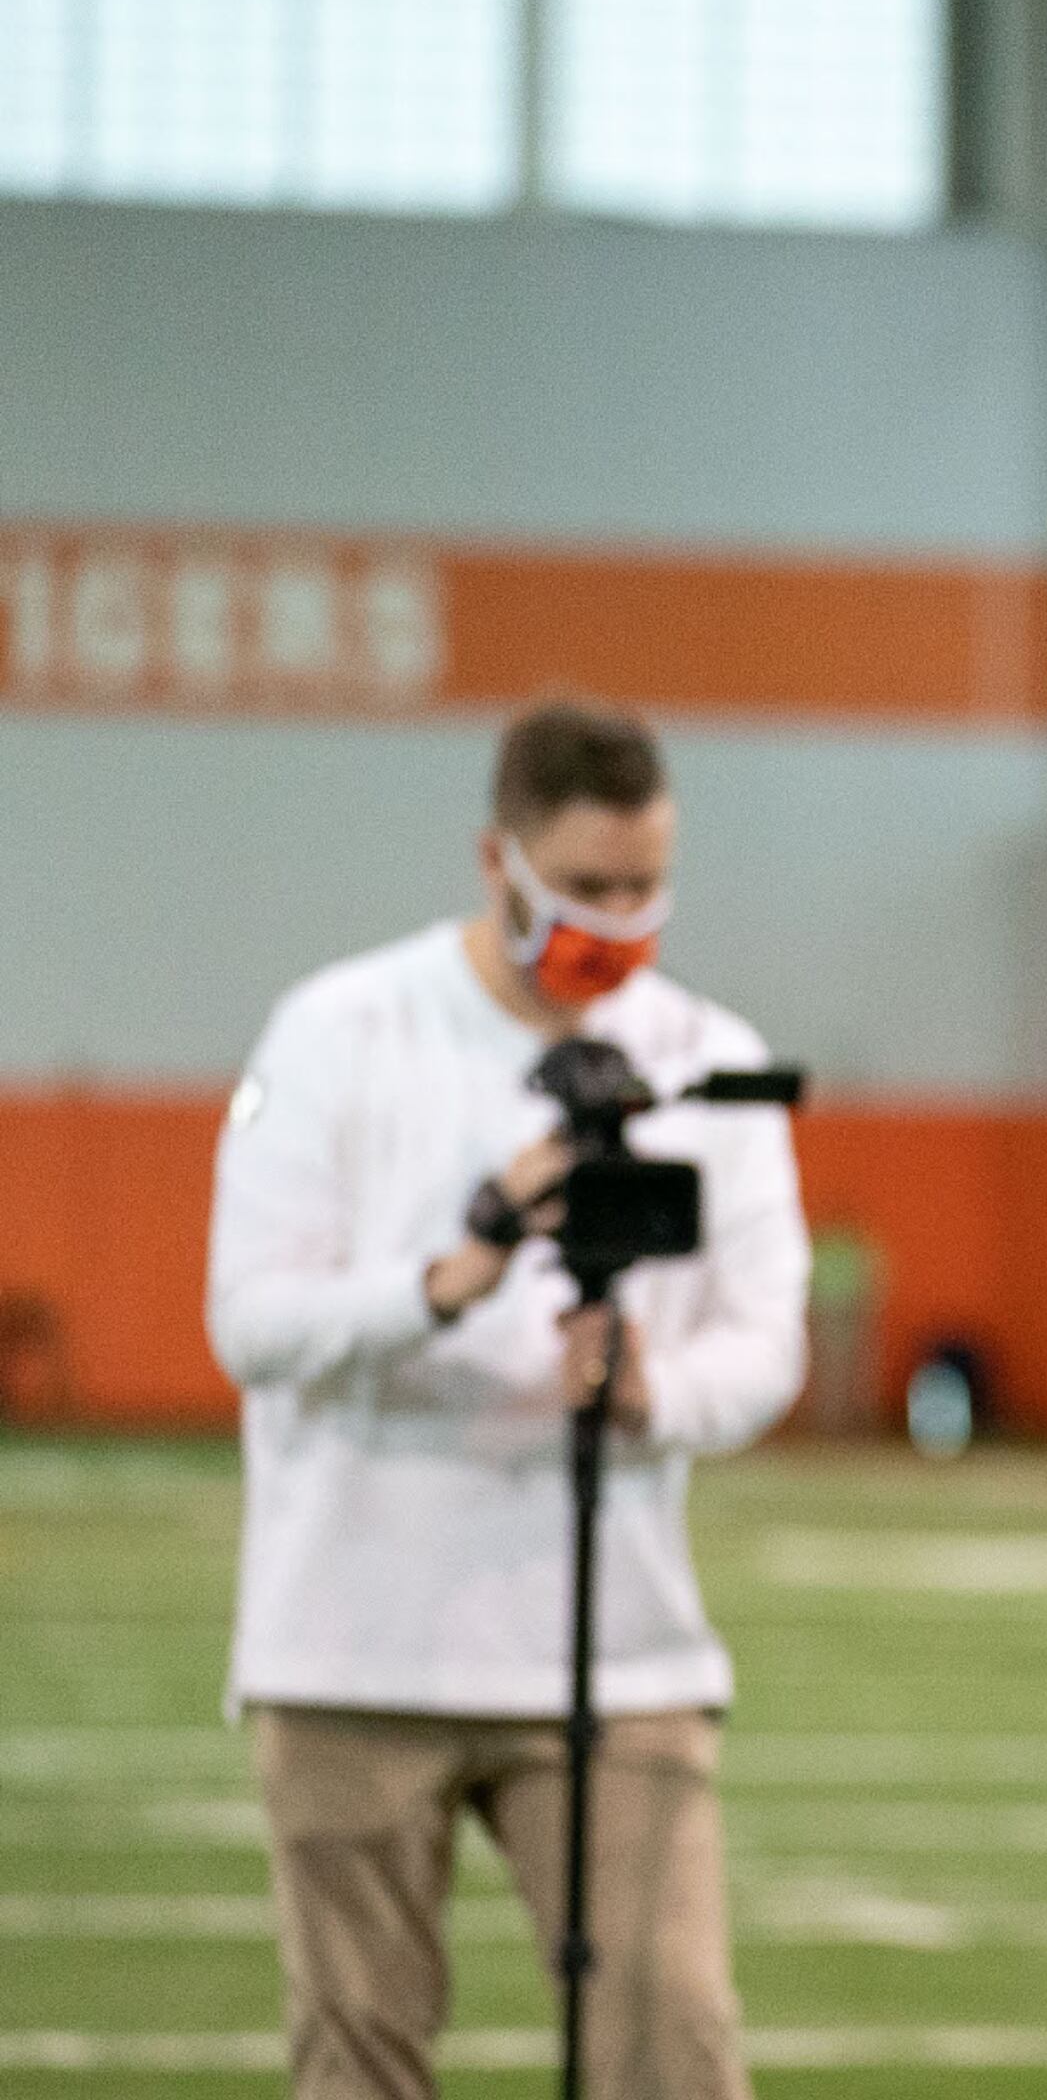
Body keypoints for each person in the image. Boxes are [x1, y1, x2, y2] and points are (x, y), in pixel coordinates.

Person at [207, 701, 803, 2100]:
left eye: (645, 883)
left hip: (619, 1645)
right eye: (587, 886)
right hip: (350, 1644)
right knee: (358, 2057)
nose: (620, 916)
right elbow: (252, 1321)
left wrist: (662, 1391)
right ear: (500, 861)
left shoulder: (709, 1054)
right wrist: (445, 1279)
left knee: (671, 2042)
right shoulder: (341, 1030)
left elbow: (763, 1339)